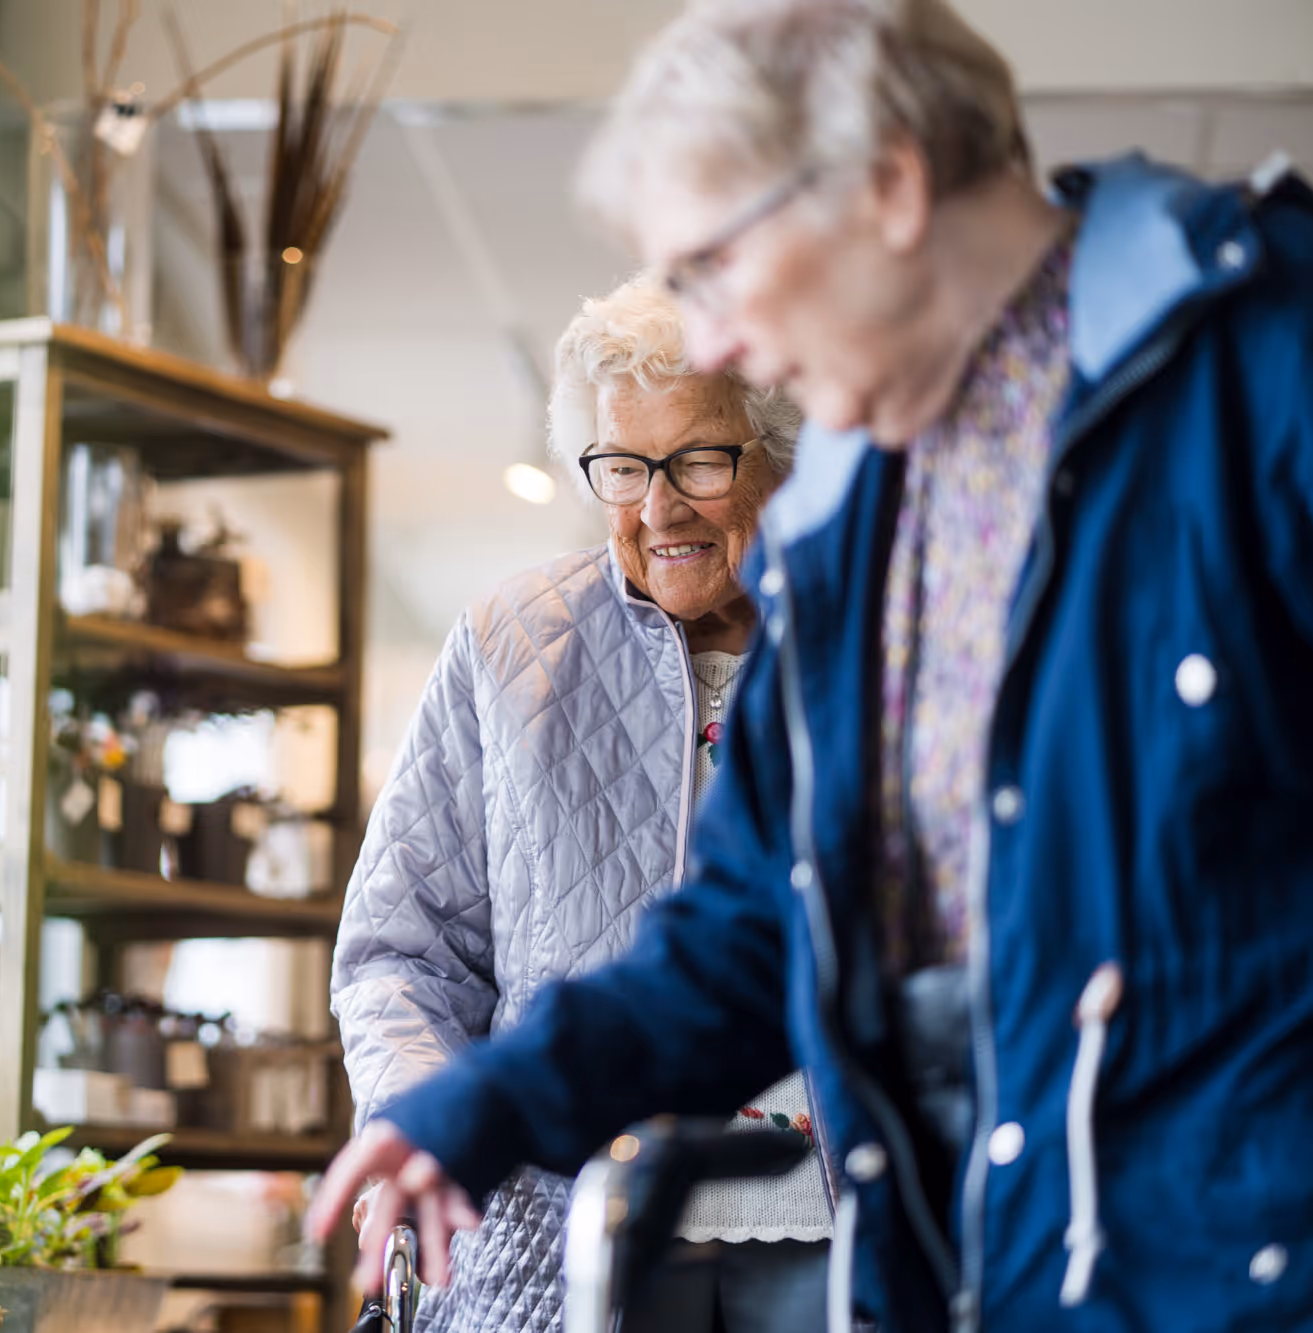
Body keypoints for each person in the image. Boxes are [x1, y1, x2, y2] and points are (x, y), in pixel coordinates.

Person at [310, 2, 1313, 1331]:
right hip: (989, 1275)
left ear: (889, 185)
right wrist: (479, 1106)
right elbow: (751, 927)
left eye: (716, 265)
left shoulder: (1264, 370)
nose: (713, 341)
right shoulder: (851, 520)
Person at [330, 274, 828, 1333]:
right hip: (564, 1238)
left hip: (830, 1236)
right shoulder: (506, 646)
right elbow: (398, 953)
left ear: (775, 450)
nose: (657, 506)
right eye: (620, 466)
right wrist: (428, 1122)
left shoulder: (860, 638)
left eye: (697, 457)